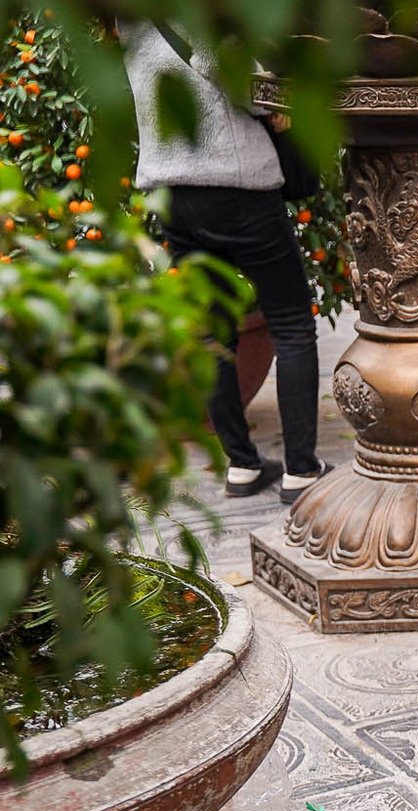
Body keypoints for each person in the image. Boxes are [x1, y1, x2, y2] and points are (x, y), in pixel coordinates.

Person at [123, 21, 327, 503]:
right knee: (292, 321)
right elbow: (228, 69)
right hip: (235, 183)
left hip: (170, 188)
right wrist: (275, 103)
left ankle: (241, 464)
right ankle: (301, 470)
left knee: (214, 330)